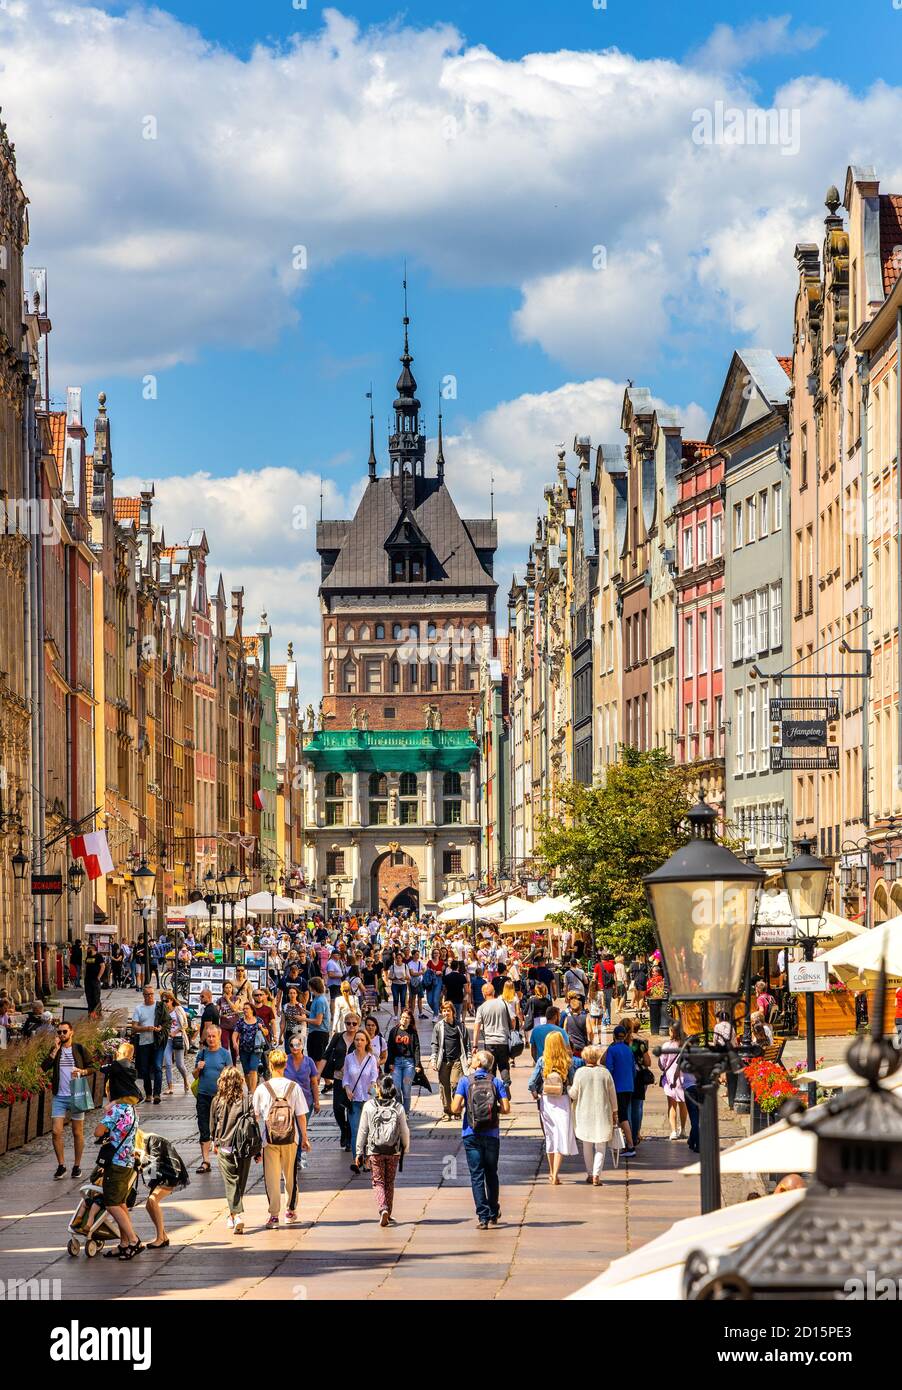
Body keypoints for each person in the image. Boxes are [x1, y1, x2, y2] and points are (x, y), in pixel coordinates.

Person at [451, 1050, 510, 1230]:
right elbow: (506, 1108)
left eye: (475, 1058)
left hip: (471, 1133)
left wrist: (467, 1107)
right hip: (491, 1133)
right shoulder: (497, 1081)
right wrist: (492, 1110)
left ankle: (483, 1217)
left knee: (476, 1175)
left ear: (478, 1064)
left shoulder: (465, 1081)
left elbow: (454, 1108)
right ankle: (493, 1211)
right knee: (491, 1174)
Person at [252, 1048, 310, 1227]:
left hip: (269, 1139)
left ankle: (274, 1215)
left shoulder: (262, 1089)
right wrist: (305, 1138)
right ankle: (290, 1211)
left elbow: (255, 1117)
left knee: (271, 1177)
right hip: (291, 1138)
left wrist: (255, 1143)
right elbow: (301, 1115)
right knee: (290, 1175)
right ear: (286, 1065)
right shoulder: (294, 1087)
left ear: (270, 1065)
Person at [356, 1074, 410, 1226]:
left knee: (378, 1181)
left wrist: (359, 1152)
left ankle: (383, 1208)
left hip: (375, 1150)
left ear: (378, 1089)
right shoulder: (398, 1107)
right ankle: (389, 1211)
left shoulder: (369, 1106)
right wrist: (406, 1147)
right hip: (394, 1151)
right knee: (389, 1182)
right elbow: (405, 1130)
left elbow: (362, 1130)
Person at [211, 1064, 258, 1234]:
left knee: (231, 1182)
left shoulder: (217, 1100)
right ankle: (233, 1215)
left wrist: (215, 1143)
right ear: (240, 1082)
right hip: (244, 1146)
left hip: (225, 1146)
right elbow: (253, 1125)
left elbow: (212, 1125)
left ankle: (236, 1215)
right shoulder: (247, 1100)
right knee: (241, 1182)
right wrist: (257, 1151)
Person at [95, 1095, 142, 1259]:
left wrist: (107, 1115)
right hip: (127, 1161)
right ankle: (123, 1243)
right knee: (120, 1203)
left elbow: (98, 1131)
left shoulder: (116, 1110)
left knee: (112, 1204)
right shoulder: (132, 1109)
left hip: (115, 1162)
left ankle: (134, 1240)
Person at [42, 1020, 91, 1179]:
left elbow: (93, 1067)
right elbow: (44, 1067)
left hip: (76, 1094)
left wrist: (81, 1071)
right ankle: (61, 1165)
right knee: (56, 1132)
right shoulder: (56, 1050)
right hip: (59, 1096)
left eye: (64, 1032)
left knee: (77, 1132)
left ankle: (77, 1166)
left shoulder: (79, 1049)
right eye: (59, 1032)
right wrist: (55, 1049)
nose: (61, 1034)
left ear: (71, 1032)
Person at [528, 1030, 578, 1183]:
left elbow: (531, 1083)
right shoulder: (567, 1061)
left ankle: (551, 1172)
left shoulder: (542, 1061)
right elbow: (572, 1081)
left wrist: (536, 1094)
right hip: (562, 1100)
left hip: (547, 1101)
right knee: (561, 1135)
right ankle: (555, 1173)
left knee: (550, 1136)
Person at [568, 1044, 618, 1185]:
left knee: (587, 1145)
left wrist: (567, 1088)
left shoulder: (580, 1073)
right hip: (602, 1113)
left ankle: (590, 1173)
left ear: (584, 1057)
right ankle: (596, 1174)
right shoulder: (605, 1073)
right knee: (601, 1146)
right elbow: (612, 1095)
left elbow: (574, 1094)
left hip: (584, 1115)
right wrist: (615, 1112)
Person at [193, 1023, 233, 1174]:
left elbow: (231, 1074)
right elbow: (195, 1076)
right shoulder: (202, 1054)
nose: (210, 1039)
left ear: (219, 1036)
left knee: (223, 1129)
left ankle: (226, 1161)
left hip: (221, 1097)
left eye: (213, 1036)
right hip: (203, 1096)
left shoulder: (224, 1054)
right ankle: (206, 1161)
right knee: (203, 1128)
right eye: (208, 1036)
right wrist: (198, 1068)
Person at [140, 1131, 189, 1249]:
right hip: (162, 1174)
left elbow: (154, 1162)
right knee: (149, 1205)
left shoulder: (152, 1140)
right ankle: (163, 1236)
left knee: (152, 1200)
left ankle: (160, 1239)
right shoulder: (148, 1141)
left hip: (171, 1174)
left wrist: (141, 1162)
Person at [323, 1012, 361, 1150]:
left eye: (354, 1023)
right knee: (337, 1108)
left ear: (358, 1024)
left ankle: (349, 1137)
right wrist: (316, 1075)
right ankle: (344, 1129)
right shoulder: (338, 1036)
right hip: (339, 1077)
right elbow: (326, 1054)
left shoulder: (361, 1038)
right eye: (348, 1023)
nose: (351, 1026)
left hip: (355, 1081)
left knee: (351, 1109)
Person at [345, 1029, 380, 1173]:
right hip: (354, 1100)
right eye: (357, 1040)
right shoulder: (349, 1058)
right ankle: (357, 1159)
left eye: (361, 1040)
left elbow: (374, 1075)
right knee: (355, 1131)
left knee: (369, 1131)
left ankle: (367, 1160)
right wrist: (347, 1088)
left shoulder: (371, 1059)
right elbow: (346, 1076)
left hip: (368, 1100)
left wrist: (372, 1084)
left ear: (367, 1042)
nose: (359, 1042)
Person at [430, 999, 470, 1119]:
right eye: (444, 1011)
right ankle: (447, 1111)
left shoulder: (460, 1026)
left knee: (455, 1084)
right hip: (443, 1060)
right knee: (444, 1086)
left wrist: (469, 1058)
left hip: (457, 1060)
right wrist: (433, 1059)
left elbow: (466, 1042)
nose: (446, 1013)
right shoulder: (439, 1026)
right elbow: (434, 1044)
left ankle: (456, 1110)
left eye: (448, 1010)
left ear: (453, 1012)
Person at [603, 1025, 636, 1157]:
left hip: (618, 1086)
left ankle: (630, 1145)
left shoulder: (612, 1050)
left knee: (622, 1117)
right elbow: (633, 1069)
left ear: (614, 1036)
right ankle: (625, 1143)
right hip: (629, 1086)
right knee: (623, 1114)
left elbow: (609, 1068)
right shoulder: (629, 1050)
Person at [131, 985, 166, 1104]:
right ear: (143, 995)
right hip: (144, 1042)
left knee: (157, 1067)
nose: (149, 997)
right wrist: (146, 1028)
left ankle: (157, 1094)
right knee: (144, 1069)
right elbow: (134, 1028)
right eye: (147, 994)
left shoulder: (160, 1006)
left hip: (157, 1041)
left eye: (151, 994)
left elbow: (167, 1022)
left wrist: (161, 1028)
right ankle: (148, 1093)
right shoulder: (139, 1009)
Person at [474, 983, 512, 1086]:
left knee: (490, 1068)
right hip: (503, 1041)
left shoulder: (481, 1008)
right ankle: (506, 1083)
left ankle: (493, 1091)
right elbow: (512, 1020)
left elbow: (476, 1028)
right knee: (504, 1065)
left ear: (483, 994)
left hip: (490, 1042)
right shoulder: (503, 1004)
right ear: (494, 992)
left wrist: (475, 1045)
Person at [386, 1006, 421, 1114]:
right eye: (403, 1017)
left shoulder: (412, 1033)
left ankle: (405, 1114)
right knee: (396, 1088)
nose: (404, 1019)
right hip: (396, 1063)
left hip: (409, 1064)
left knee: (406, 1089)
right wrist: (390, 1062)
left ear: (410, 1020)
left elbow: (416, 1048)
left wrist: (417, 1064)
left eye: (407, 1018)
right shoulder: (394, 1031)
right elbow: (390, 1047)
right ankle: (399, 1111)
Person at [658, 1022, 688, 1141]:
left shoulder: (666, 1046)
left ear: (672, 1032)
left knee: (672, 1104)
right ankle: (684, 1129)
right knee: (683, 1103)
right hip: (683, 1076)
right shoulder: (685, 1045)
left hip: (670, 1077)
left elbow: (661, 1064)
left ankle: (674, 1131)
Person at [161, 990, 191, 1095]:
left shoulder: (178, 1009)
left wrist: (175, 1032)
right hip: (167, 1040)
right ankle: (170, 1087)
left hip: (178, 1038)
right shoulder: (162, 1011)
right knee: (168, 1063)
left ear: (172, 1000)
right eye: (163, 1001)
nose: (165, 1003)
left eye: (167, 1000)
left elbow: (185, 1025)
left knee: (179, 1064)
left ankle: (185, 1080)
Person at [235, 1002, 267, 1092]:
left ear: (252, 1010)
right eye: (244, 1008)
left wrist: (262, 1028)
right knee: (246, 1071)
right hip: (243, 1049)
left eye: (247, 1008)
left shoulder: (259, 1020)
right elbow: (235, 1033)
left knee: (253, 1069)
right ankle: (249, 1090)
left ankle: (253, 1092)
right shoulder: (241, 1021)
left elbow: (266, 1032)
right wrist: (234, 1043)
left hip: (256, 1049)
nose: (245, 1010)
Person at [306, 976, 331, 1070]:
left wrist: (303, 1019)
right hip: (315, 1032)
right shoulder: (317, 998)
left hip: (320, 1033)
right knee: (313, 1058)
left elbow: (318, 1021)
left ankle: (317, 1080)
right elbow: (315, 1015)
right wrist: (304, 1011)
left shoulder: (320, 1000)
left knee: (317, 1060)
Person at [562, 992, 590, 1058]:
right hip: (582, 1045)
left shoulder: (567, 1018)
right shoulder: (585, 1017)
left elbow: (564, 1032)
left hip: (571, 1046)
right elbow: (590, 1031)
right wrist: (590, 1041)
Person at [83, 943, 106, 1015]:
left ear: (92, 949)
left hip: (95, 979)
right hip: (88, 979)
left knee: (96, 997)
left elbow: (103, 966)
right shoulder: (88, 956)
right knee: (89, 997)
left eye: (88, 948)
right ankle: (90, 1012)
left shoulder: (98, 956)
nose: (87, 950)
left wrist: (99, 977)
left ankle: (98, 1013)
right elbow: (86, 966)